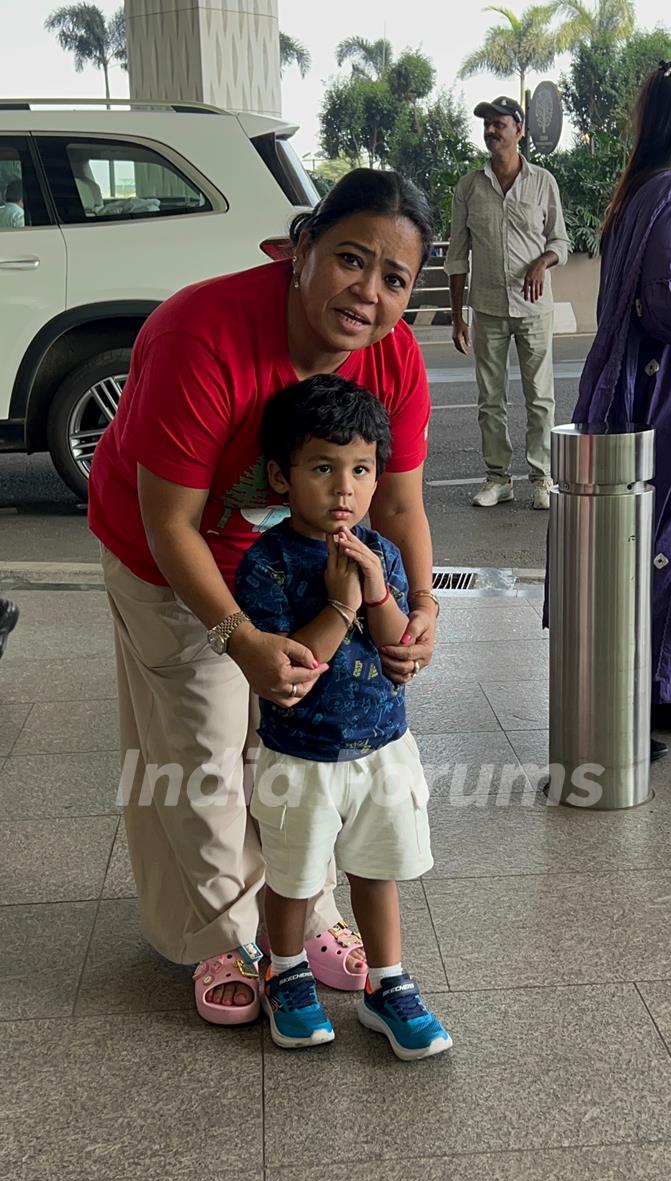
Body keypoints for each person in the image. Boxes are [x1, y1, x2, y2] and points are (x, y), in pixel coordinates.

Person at [87, 168, 440, 1025]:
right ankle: (221, 936)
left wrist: (422, 603)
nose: (369, 292)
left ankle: (306, 915)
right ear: (300, 248)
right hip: (171, 555)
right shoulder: (201, 333)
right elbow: (169, 521)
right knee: (201, 746)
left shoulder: (392, 355)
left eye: (395, 279)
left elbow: (398, 500)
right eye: (350, 259)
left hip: (304, 561)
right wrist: (238, 636)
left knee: (295, 747)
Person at [234, 375, 451, 1059]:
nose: (344, 488)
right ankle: (288, 970)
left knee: (376, 868)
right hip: (299, 754)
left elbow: (395, 653)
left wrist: (380, 590)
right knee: (293, 875)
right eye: (323, 468)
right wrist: (340, 605)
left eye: (360, 469)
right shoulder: (266, 565)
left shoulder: (377, 550)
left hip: (382, 746)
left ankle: (387, 987)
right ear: (281, 475)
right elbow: (293, 672)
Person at [573, 56, 671, 754]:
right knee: (665, 539)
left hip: (661, 395)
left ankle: (665, 688)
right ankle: (631, 701)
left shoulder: (645, 191)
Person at [446, 95, 569, 511]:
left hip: (534, 309)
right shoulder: (469, 186)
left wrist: (542, 262)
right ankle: (498, 479)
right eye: (487, 124)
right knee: (490, 399)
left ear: (519, 130)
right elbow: (457, 254)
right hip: (487, 308)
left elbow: (560, 242)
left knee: (540, 398)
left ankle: (541, 477)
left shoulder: (542, 182)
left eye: (499, 123)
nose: (491, 130)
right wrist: (457, 316)